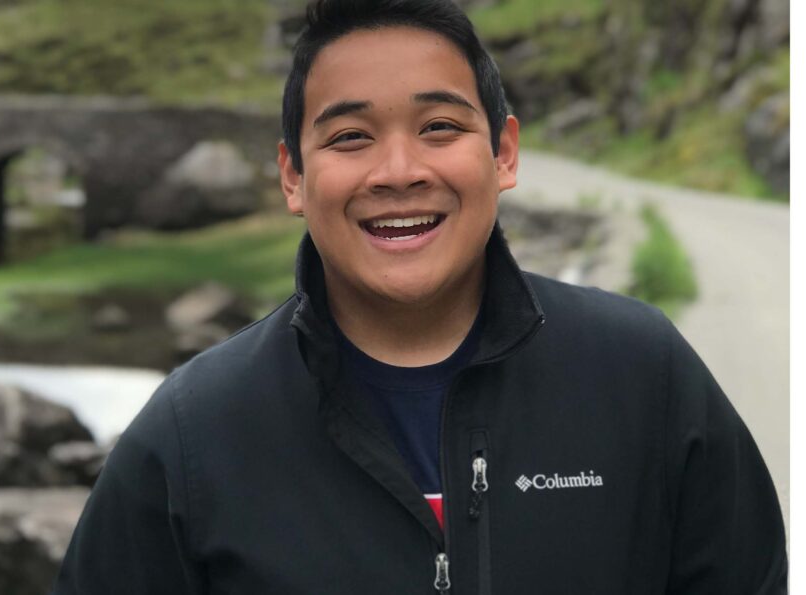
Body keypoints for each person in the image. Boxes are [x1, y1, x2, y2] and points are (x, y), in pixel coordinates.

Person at [51, 0, 787, 592]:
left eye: (439, 127)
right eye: (349, 137)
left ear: (502, 153)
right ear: (292, 177)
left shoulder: (641, 373)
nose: (399, 170)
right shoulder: (190, 435)